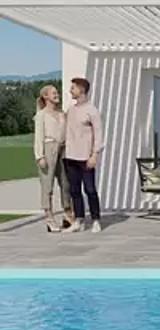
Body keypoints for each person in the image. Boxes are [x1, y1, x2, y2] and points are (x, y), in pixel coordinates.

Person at [63, 77, 104, 233]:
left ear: (81, 90)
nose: (70, 90)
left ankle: (96, 220)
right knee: (74, 190)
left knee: (90, 189)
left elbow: (98, 134)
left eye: (73, 88)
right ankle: (79, 220)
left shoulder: (92, 110)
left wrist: (94, 155)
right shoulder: (70, 110)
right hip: (70, 156)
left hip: (86, 157)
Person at [33, 85, 74, 232]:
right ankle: (49, 217)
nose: (57, 95)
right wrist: (40, 156)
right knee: (47, 185)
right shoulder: (41, 115)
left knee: (66, 183)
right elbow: (38, 137)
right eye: (53, 93)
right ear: (45, 96)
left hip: (62, 149)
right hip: (48, 149)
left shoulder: (61, 113)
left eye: (57, 92)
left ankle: (68, 214)